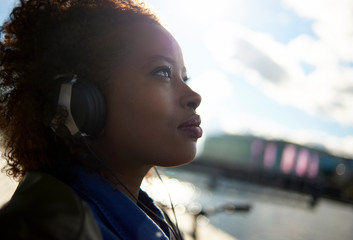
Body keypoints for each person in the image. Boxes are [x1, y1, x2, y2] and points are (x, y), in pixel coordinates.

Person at [0, 0, 202, 239]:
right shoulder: (46, 228)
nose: (194, 97)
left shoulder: (148, 219)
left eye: (184, 77)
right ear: (78, 102)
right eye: (162, 72)